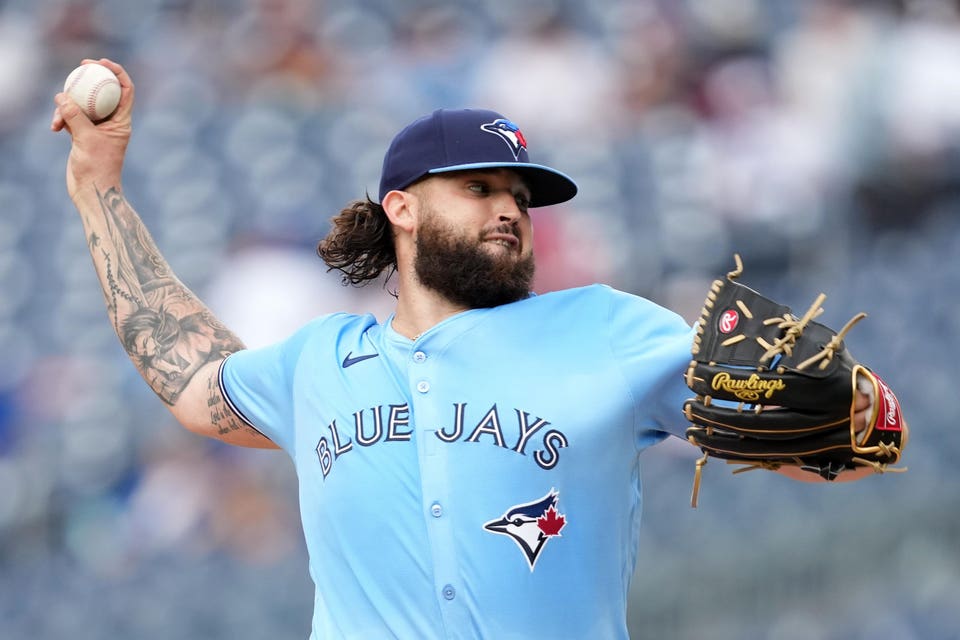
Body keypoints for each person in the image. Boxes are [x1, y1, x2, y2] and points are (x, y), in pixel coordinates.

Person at [53, 59, 886, 639]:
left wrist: (846, 420)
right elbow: (188, 372)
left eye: (521, 195)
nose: (510, 209)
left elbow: (843, 450)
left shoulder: (608, 330)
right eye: (479, 187)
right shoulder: (317, 364)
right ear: (402, 209)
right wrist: (98, 187)